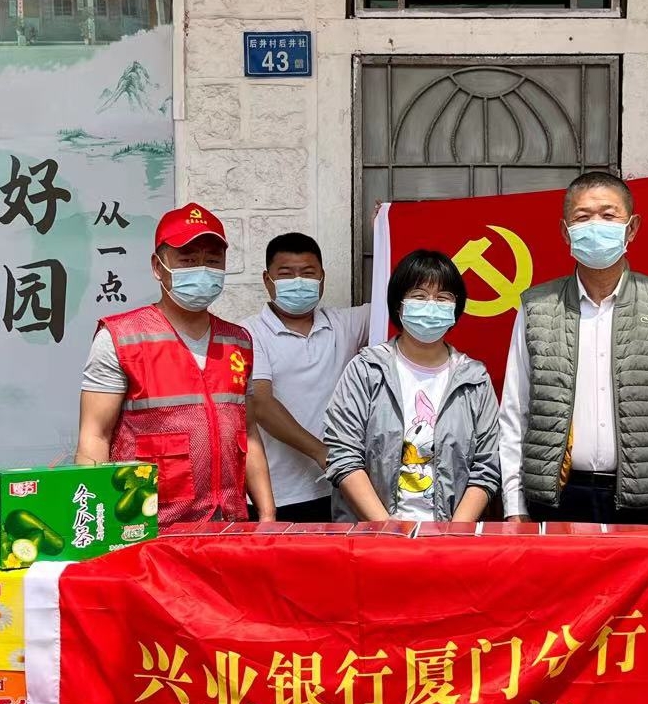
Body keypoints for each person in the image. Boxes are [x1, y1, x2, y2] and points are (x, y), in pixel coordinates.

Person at [499, 172, 648, 542]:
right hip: (556, 500)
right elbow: (515, 414)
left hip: (645, 502)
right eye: (583, 217)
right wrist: (514, 504)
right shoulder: (536, 308)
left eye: (609, 215)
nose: (595, 225)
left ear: (632, 228)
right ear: (565, 232)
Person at [75, 202, 276, 523]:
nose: (202, 270)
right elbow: (94, 436)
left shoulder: (238, 342)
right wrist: (99, 526)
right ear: (158, 267)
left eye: (213, 261)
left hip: (228, 524)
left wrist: (266, 514)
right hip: (148, 526)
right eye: (188, 260)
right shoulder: (121, 338)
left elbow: (248, 432)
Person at [323, 250, 500, 522]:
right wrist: (386, 528)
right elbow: (343, 454)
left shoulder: (474, 379)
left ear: (456, 308)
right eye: (419, 296)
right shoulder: (366, 370)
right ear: (399, 305)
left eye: (442, 298)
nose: (431, 305)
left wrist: (453, 534)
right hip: (373, 535)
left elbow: (486, 467)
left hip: (450, 536)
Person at [246, 233, 370, 523]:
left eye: (308, 273)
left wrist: (388, 224)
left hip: (341, 490)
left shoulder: (346, 324)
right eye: (286, 274)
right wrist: (321, 453)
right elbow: (261, 403)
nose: (298, 281)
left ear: (322, 278)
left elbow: (400, 296)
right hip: (278, 495)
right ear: (267, 280)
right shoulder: (250, 333)